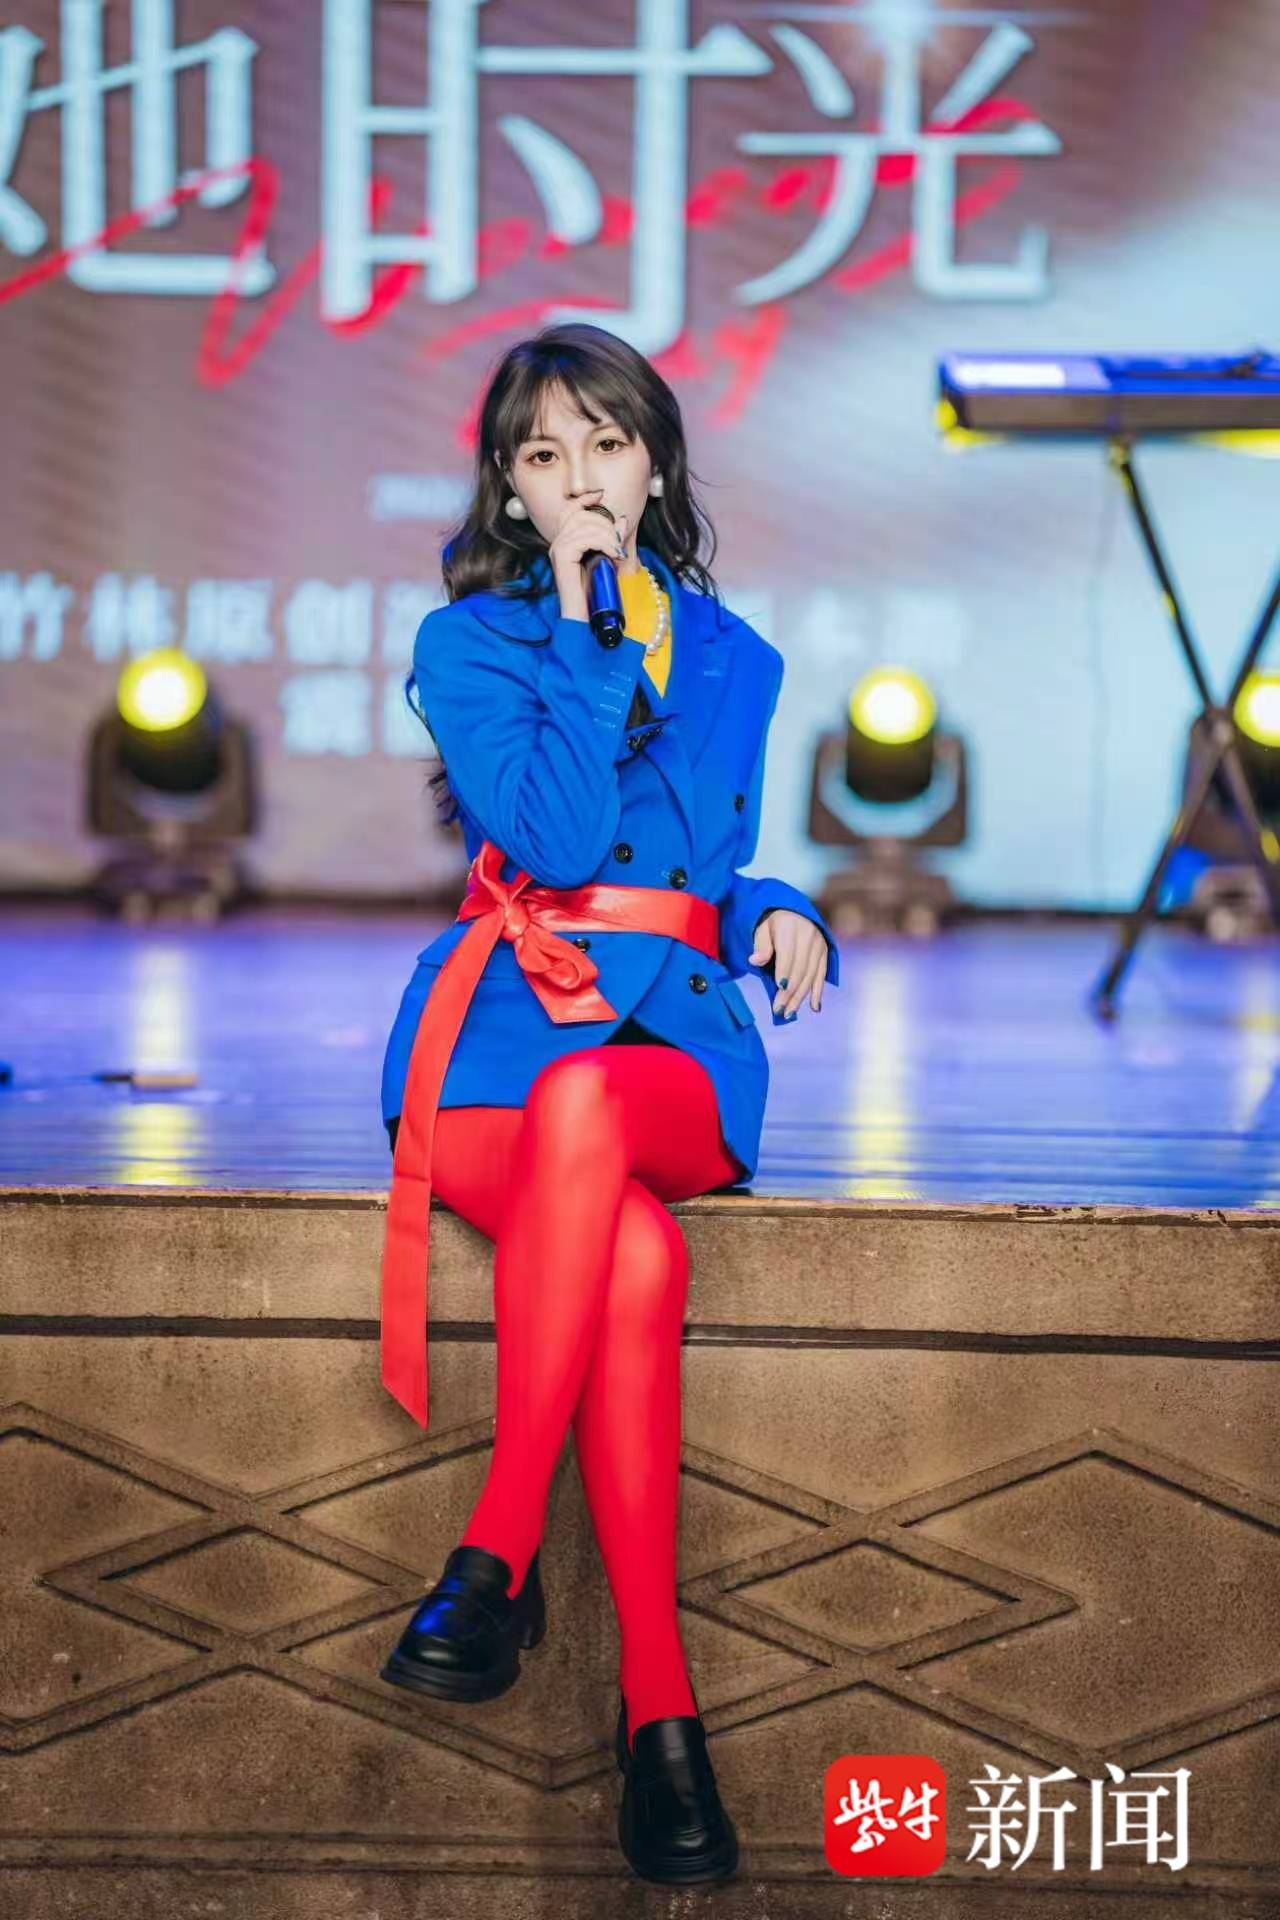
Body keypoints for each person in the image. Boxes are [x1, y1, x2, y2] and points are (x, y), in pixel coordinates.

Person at [377, 322, 839, 1887]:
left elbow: (704, 864)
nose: (580, 476)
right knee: (636, 1260)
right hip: (500, 1049)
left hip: (671, 1062)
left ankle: (495, 1552)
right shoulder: (468, 647)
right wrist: (585, 631)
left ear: (656, 465)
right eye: (544, 454)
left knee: (599, 1107)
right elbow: (563, 837)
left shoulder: (735, 657)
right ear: (509, 490)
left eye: (608, 443)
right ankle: (664, 1720)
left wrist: (782, 904)